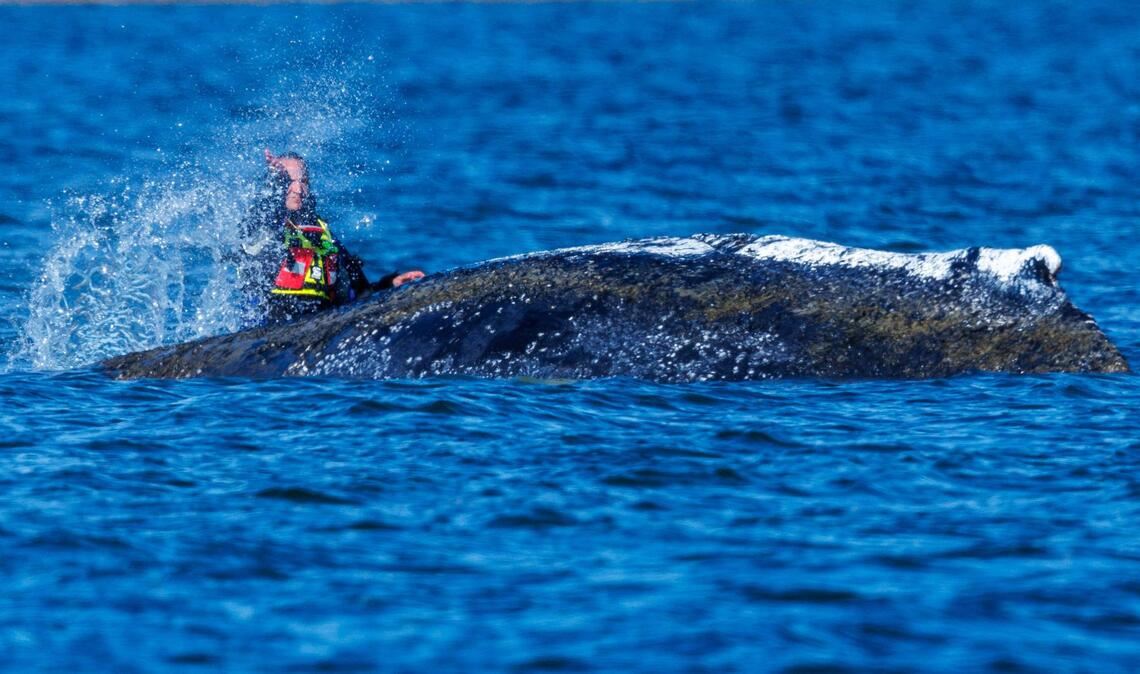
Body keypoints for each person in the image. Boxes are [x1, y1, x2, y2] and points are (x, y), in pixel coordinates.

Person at [238, 150, 423, 324]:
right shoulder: (264, 229)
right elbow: (257, 220)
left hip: (317, 329)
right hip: (269, 332)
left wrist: (389, 285)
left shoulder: (323, 236)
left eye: (303, 181)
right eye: (287, 180)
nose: (298, 189)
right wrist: (273, 184)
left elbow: (359, 294)